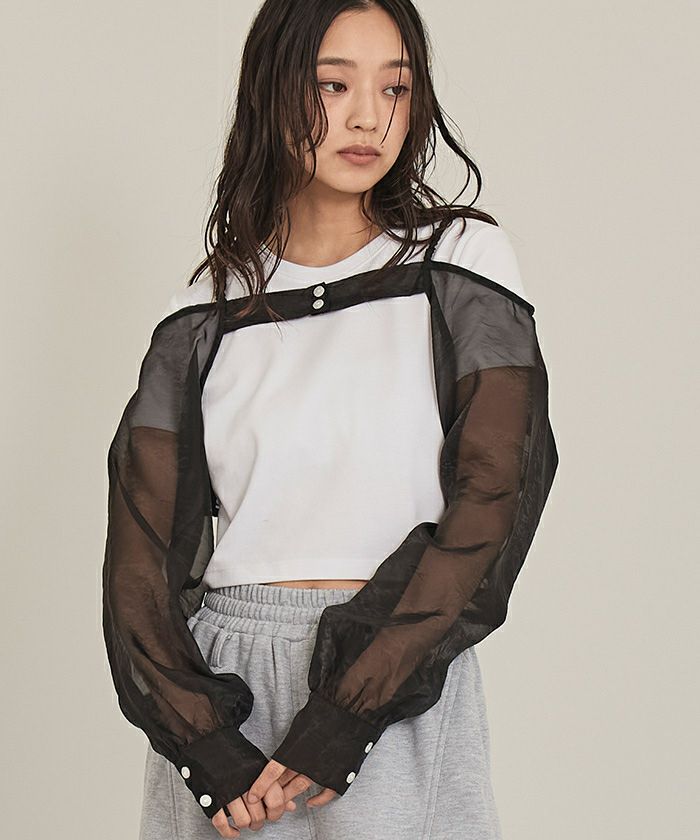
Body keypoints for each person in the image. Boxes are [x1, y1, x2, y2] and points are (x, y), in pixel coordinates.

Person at [102, 2, 559, 838]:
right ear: (273, 91)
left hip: (396, 666)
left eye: (395, 88)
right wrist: (204, 744)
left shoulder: (457, 264)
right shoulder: (204, 308)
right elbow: (140, 555)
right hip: (225, 688)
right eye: (333, 84)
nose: (368, 116)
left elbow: (496, 494)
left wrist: (347, 714)